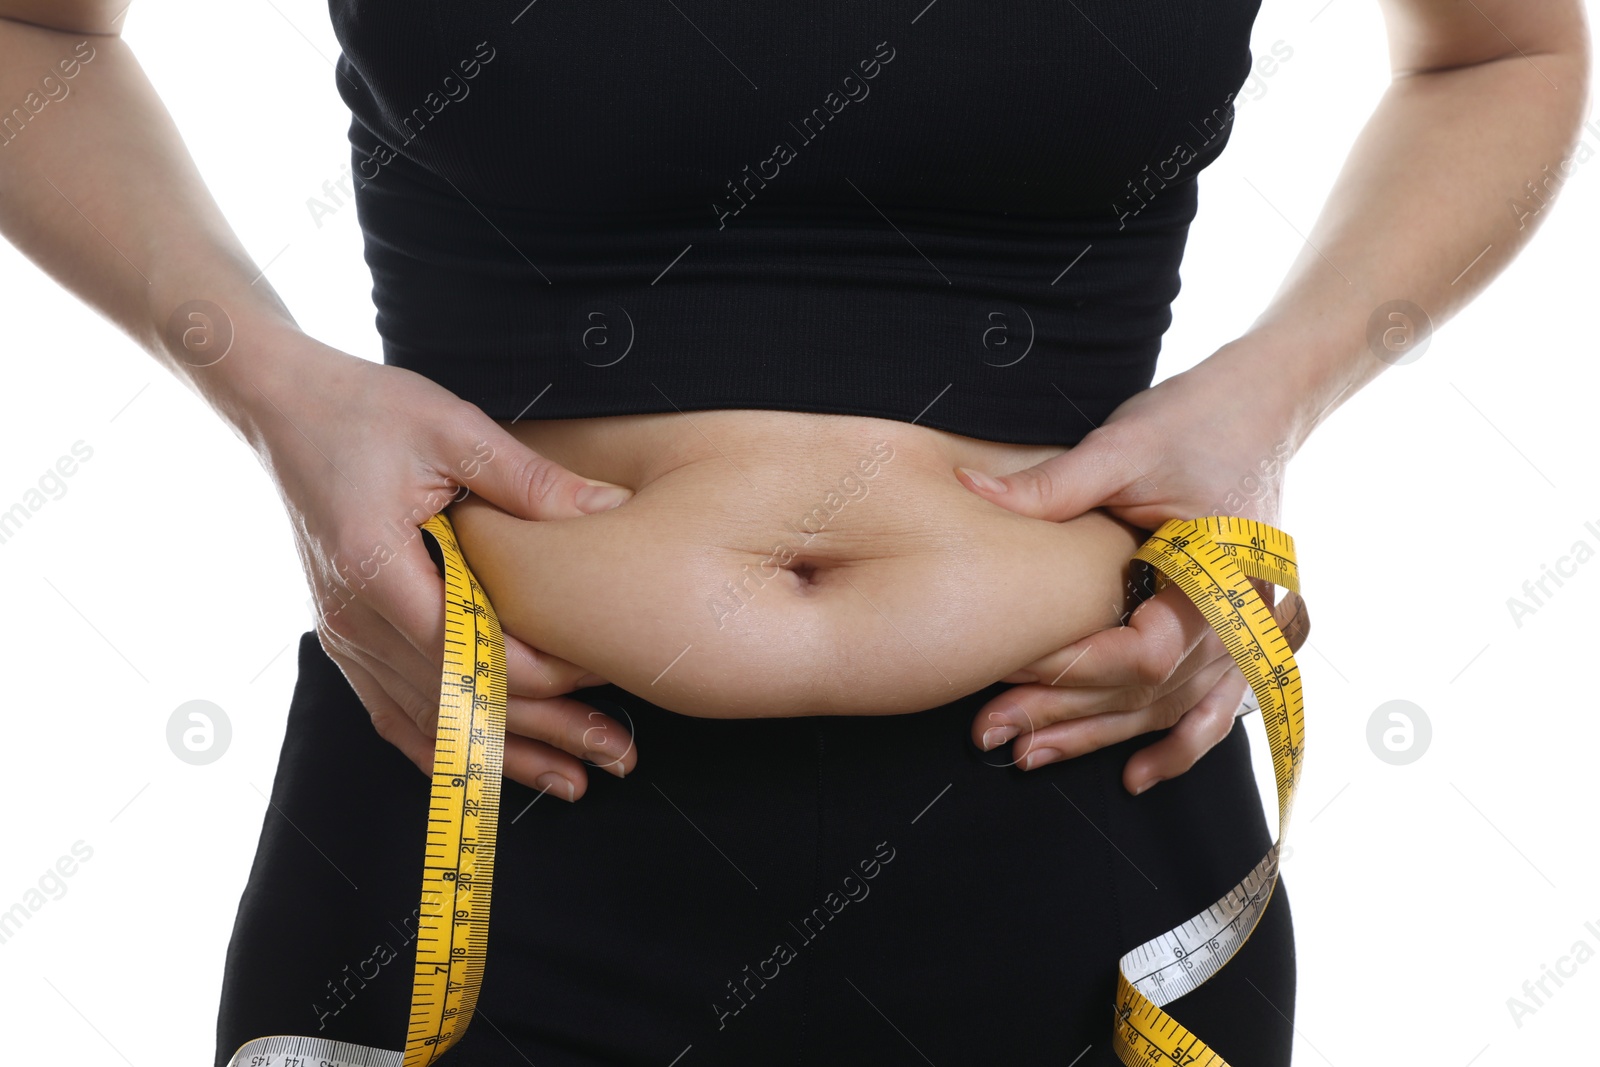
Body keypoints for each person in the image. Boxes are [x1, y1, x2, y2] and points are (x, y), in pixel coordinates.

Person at [0, 1, 1587, 1064]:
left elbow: (1500, 49)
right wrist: (279, 393)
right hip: (478, 798)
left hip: (1083, 831)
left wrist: (1277, 397)